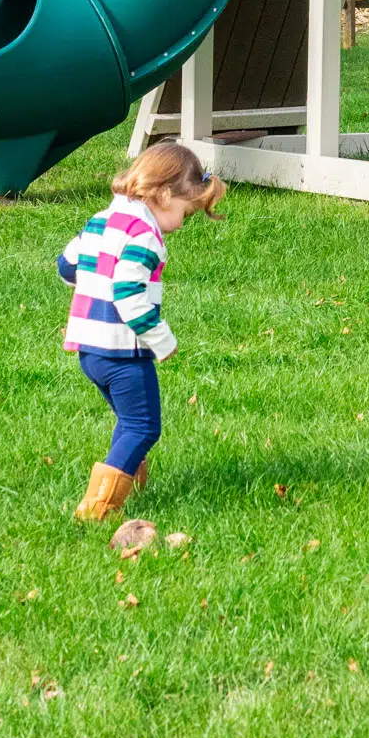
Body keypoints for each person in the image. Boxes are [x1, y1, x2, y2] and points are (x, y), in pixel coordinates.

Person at [58, 140, 224, 524]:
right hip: (122, 352)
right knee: (143, 426)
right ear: (164, 195)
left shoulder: (100, 220)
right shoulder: (146, 237)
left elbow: (67, 267)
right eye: (186, 211)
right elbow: (129, 294)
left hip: (90, 350)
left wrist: (91, 281)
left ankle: (129, 486)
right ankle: (96, 510)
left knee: (129, 421)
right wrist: (162, 340)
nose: (183, 223)